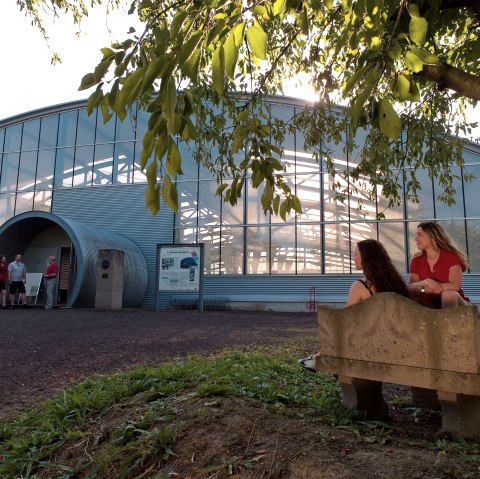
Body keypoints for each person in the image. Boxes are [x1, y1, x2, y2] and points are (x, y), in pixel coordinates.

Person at [299, 239, 409, 372]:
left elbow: (345, 321)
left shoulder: (360, 287)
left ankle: (320, 358)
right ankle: (318, 357)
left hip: (369, 345)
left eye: (356, 254)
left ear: (366, 258)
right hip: (397, 342)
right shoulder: (396, 284)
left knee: (341, 325)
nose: (353, 258)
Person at [407, 221, 469, 309]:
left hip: (457, 304)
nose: (415, 239)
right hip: (430, 304)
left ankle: (447, 323)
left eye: (419, 235)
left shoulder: (451, 257)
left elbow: (454, 286)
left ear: (433, 237)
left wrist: (428, 289)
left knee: (447, 294)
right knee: (412, 300)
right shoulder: (416, 260)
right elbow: (409, 288)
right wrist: (426, 282)